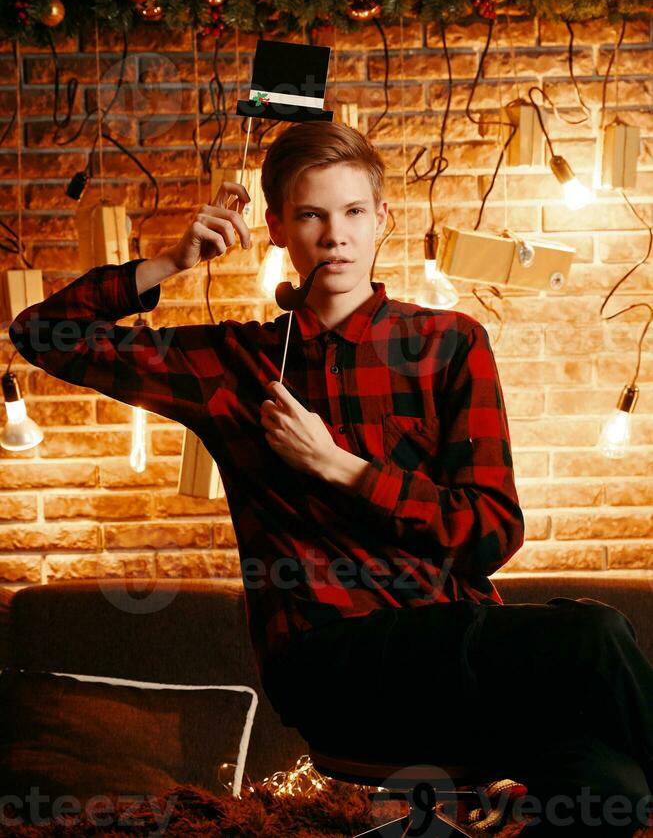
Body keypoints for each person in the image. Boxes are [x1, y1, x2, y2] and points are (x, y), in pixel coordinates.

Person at [9, 121, 653, 836]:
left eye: (351, 213)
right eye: (312, 215)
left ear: (381, 219)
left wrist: (339, 468)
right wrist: (169, 260)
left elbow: (492, 536)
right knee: (592, 633)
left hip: (459, 661)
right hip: (331, 664)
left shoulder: (449, 344)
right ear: (279, 227)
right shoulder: (233, 365)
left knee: (611, 789)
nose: (334, 236)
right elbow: (43, 331)